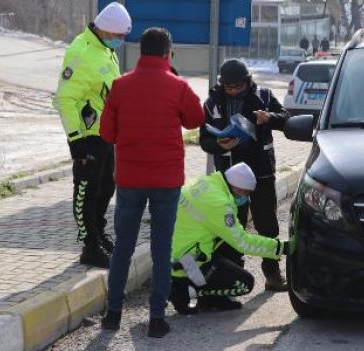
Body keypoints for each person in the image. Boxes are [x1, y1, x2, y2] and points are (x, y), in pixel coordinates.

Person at [98, 27, 205, 337]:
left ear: (140, 52)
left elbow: (106, 134)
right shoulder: (178, 86)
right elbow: (195, 119)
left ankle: (113, 314)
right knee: (161, 248)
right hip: (166, 182)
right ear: (167, 53)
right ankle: (156, 319)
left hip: (130, 180)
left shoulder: (120, 86)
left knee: (123, 248)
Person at [199, 59, 290, 291]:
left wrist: (270, 118)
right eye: (228, 87)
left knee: (267, 224)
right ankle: (232, 276)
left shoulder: (265, 96)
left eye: (237, 87)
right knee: (231, 225)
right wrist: (219, 145)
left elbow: (286, 117)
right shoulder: (211, 104)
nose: (233, 91)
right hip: (230, 175)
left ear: (247, 82)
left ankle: (272, 274)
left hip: (260, 171)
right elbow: (204, 139)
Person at [53, 2, 131, 268]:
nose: (122, 41)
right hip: (88, 137)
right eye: (120, 36)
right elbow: (64, 99)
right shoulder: (81, 52)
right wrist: (76, 141)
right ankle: (89, 246)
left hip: (106, 134)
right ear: (106, 30)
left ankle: (98, 233)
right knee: (87, 189)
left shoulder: (107, 51)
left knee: (106, 187)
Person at [168, 163, 290, 314]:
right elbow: (243, 242)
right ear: (238, 189)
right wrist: (282, 247)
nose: (245, 198)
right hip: (187, 264)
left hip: (175, 252)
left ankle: (212, 300)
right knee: (244, 284)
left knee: (230, 245)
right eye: (245, 194)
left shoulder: (205, 182)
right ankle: (181, 291)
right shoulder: (220, 204)